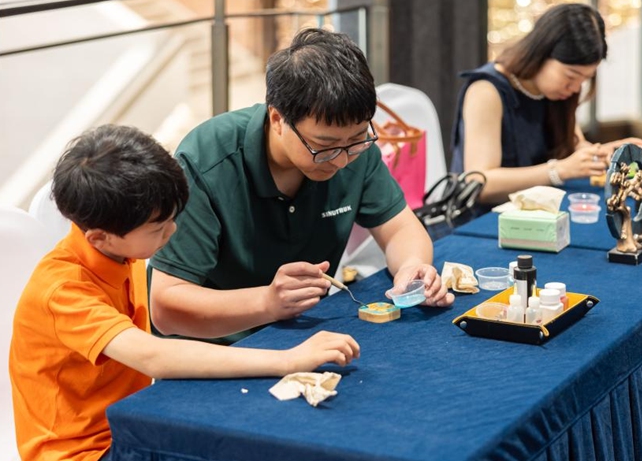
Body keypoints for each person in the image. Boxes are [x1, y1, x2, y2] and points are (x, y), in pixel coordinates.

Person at [9, 125, 360, 461]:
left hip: (139, 418)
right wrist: (288, 360)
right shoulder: (62, 290)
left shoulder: (122, 247)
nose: (173, 231)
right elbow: (152, 357)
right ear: (99, 237)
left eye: (173, 219)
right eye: (158, 228)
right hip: (86, 451)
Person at [148, 28, 454, 346]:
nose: (341, 160)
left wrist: (412, 267)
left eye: (356, 140)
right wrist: (267, 302)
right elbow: (166, 307)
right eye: (325, 145)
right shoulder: (207, 159)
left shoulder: (354, 150)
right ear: (278, 119)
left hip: (305, 334)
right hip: (215, 350)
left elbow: (401, 229)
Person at [451, 3, 642, 207]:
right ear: (541, 54)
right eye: (571, 76)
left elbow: (574, 146)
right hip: (484, 219)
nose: (575, 88)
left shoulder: (557, 92)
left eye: (585, 79)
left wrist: (599, 155)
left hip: (541, 212)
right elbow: (479, 182)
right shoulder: (487, 90)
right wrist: (558, 171)